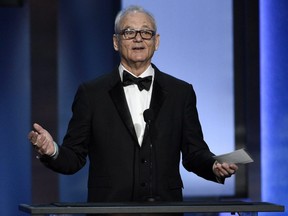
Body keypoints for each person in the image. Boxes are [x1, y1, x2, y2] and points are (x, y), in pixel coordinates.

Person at [28, 5, 238, 208]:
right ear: (116, 42)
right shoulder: (92, 93)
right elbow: (74, 157)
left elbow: (194, 153)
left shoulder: (180, 93)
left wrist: (213, 166)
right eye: (129, 32)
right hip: (109, 211)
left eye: (146, 32)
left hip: (165, 211)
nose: (138, 38)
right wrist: (52, 150)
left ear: (156, 41)